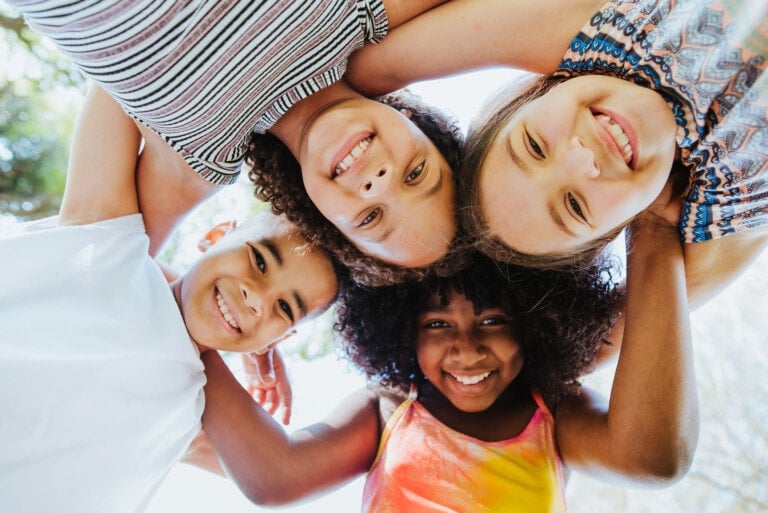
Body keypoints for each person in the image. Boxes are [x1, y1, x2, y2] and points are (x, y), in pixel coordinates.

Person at [197, 210, 698, 511]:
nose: (466, 348)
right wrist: (205, 341)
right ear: (402, 330)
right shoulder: (391, 409)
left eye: (493, 320)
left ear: (534, 326)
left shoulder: (553, 413)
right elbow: (275, 476)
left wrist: (652, 229)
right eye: (436, 324)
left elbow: (650, 457)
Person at [0, 85, 340, 513]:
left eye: (285, 309)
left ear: (276, 341)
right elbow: (109, 73)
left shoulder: (195, 411)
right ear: (214, 236)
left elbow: (280, 475)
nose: (257, 300)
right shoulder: (110, 248)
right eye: (258, 259)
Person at [344, 0, 768, 307]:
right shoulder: (733, 194)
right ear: (621, 225)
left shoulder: (601, 34)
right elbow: (612, 341)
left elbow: (367, 68)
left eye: (533, 146)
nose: (582, 159)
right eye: (574, 205)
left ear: (537, 94)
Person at [5, 0, 463, 277]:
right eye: (417, 172)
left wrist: (213, 340)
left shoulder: (199, 158)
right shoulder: (366, 11)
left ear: (323, 219)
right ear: (417, 125)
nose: (378, 185)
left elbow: (97, 263)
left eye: (369, 218)